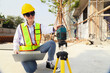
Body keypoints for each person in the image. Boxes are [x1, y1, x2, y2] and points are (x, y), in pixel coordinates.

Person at [13, 3, 60, 73]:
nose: (31, 16)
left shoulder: (39, 26)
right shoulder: (20, 27)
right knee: (31, 70)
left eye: (32, 13)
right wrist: (16, 49)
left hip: (36, 50)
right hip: (26, 53)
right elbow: (16, 40)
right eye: (28, 14)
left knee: (51, 43)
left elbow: (46, 29)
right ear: (24, 16)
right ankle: (30, 62)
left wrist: (54, 28)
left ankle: (49, 62)